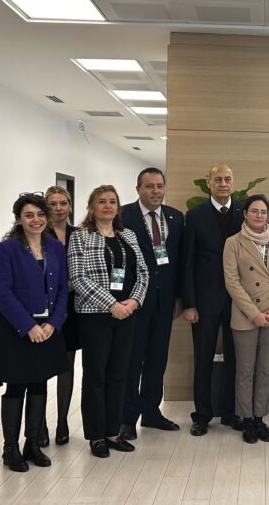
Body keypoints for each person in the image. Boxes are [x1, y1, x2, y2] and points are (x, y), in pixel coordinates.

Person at [0, 193, 69, 472]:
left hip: (48, 328)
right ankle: (10, 448)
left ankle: (32, 444)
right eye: (29, 215)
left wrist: (53, 323)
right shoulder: (7, 249)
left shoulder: (55, 247)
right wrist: (28, 326)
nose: (36, 220)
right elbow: (3, 292)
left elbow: (62, 288)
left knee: (39, 384)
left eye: (40, 214)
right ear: (19, 219)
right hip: (18, 329)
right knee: (16, 385)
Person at [68, 185, 149, 458]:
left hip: (127, 314)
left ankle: (113, 432)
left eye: (112, 201)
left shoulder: (128, 235)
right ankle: (96, 436)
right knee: (95, 376)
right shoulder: (81, 236)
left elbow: (143, 272)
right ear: (92, 206)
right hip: (95, 316)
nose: (107, 206)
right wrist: (111, 305)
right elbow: (78, 277)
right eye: (101, 201)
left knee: (119, 374)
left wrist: (133, 302)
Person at [119, 168, 184, 440]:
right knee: (132, 361)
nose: (156, 191)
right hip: (134, 301)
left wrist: (179, 297)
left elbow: (179, 261)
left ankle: (151, 412)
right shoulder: (124, 216)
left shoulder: (175, 217)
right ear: (138, 189)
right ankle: (127, 418)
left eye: (159, 186)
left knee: (157, 360)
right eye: (149, 186)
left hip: (164, 301)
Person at [222, 195, 269, 444]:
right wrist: (254, 313)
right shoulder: (233, 242)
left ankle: (260, 419)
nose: (259, 216)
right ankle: (247, 420)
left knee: (265, 369)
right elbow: (232, 282)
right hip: (245, 316)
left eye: (263, 212)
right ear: (245, 214)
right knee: (245, 370)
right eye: (254, 211)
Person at [182, 163, 244, 435]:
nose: (223, 184)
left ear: (233, 182)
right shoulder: (195, 215)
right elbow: (188, 263)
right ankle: (202, 415)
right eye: (217, 179)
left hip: (238, 301)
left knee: (236, 358)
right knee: (203, 358)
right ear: (208, 182)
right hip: (205, 301)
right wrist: (190, 303)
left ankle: (231, 412)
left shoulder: (244, 213)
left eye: (227, 179)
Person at [45, 185, 78, 446]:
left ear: (70, 206)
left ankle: (63, 421)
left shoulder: (79, 235)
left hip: (74, 307)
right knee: (42, 366)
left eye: (63, 203)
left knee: (67, 364)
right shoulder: (37, 233)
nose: (58, 208)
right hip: (44, 308)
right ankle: (39, 424)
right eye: (53, 204)